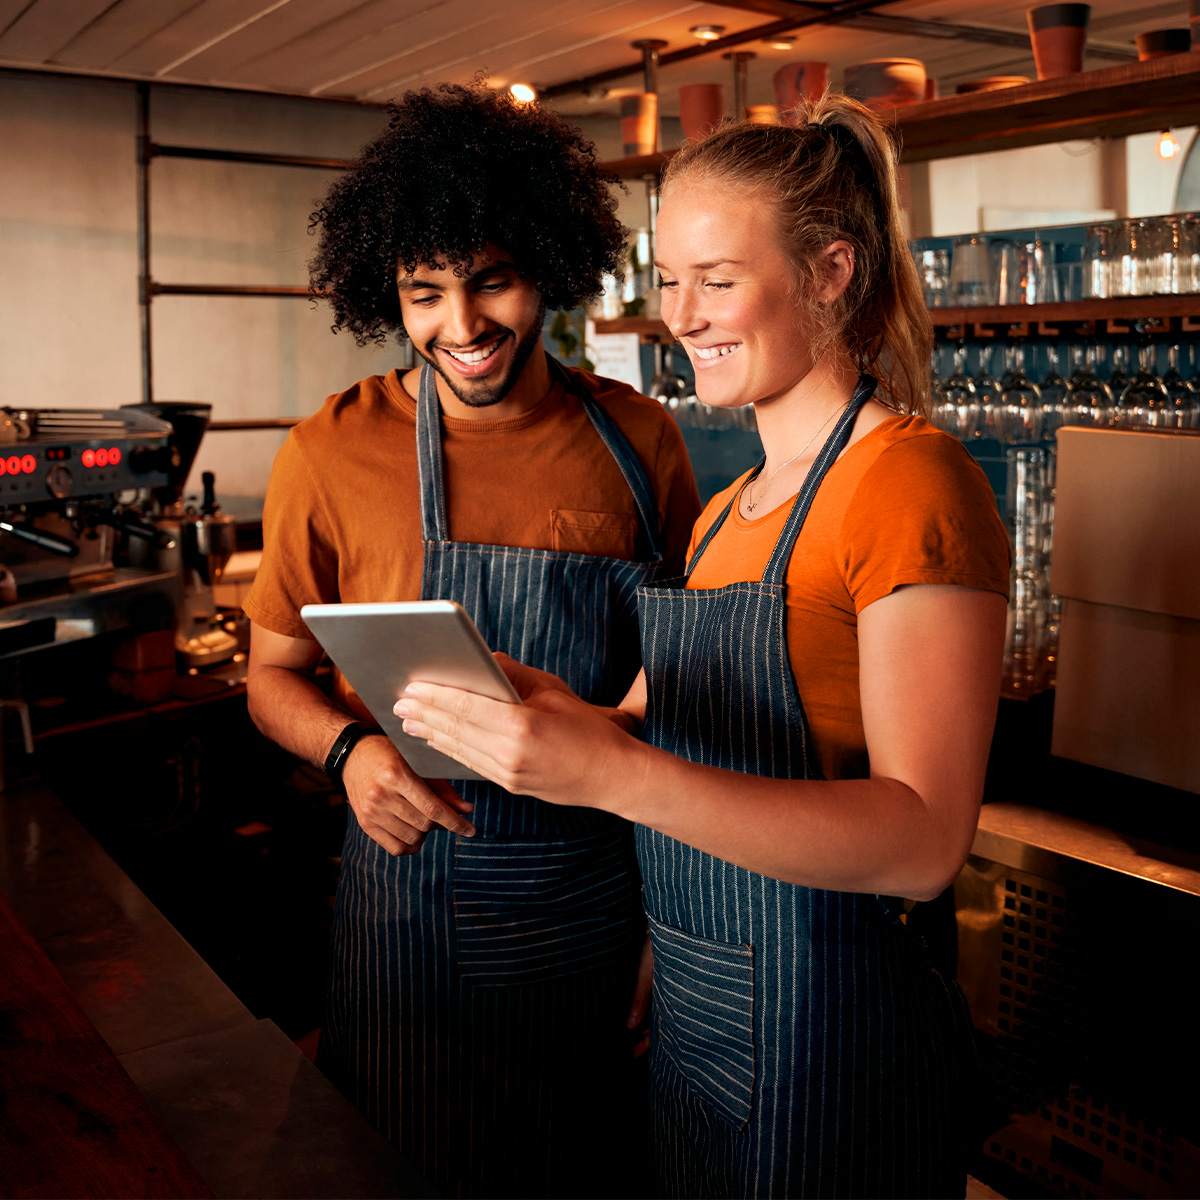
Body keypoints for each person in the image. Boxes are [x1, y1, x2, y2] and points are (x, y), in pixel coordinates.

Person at [395, 94, 1012, 1199]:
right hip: (697, 1014)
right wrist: (543, 708)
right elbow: (647, 731)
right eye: (667, 279)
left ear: (829, 272)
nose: (681, 315)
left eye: (717, 280)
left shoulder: (911, 482)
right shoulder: (730, 509)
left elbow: (923, 839)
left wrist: (616, 771)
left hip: (837, 1033)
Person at [242, 83, 700, 1198]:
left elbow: (685, 696)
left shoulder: (641, 444)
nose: (463, 326)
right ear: (386, 293)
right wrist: (351, 757)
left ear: (546, 261)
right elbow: (272, 676)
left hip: (599, 910)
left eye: (490, 279)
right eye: (424, 293)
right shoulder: (325, 453)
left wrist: (668, 934)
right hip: (408, 921)